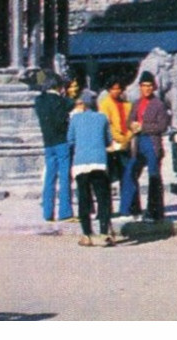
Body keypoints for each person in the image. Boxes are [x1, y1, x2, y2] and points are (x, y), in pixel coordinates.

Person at [66, 89, 115, 246]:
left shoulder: (75, 119)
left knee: (83, 198)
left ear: (83, 104)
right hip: (98, 162)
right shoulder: (102, 118)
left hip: (81, 163)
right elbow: (108, 140)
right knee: (103, 198)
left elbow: (70, 140)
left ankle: (87, 234)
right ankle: (104, 233)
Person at [121, 71, 171, 222]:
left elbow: (162, 126)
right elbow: (129, 120)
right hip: (138, 143)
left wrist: (143, 127)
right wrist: (132, 125)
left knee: (154, 177)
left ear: (153, 87)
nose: (147, 89)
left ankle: (155, 212)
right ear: (140, 87)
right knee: (130, 172)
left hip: (152, 142)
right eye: (144, 86)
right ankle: (131, 208)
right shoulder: (136, 103)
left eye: (150, 86)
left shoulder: (159, 104)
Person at [33, 74, 74, 222]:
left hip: (48, 142)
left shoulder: (39, 101)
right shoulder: (60, 101)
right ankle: (65, 211)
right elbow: (71, 104)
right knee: (64, 177)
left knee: (49, 177)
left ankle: (48, 212)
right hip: (61, 141)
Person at [99, 77, 134, 210]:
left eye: (118, 88)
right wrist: (119, 137)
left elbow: (131, 123)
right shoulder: (105, 104)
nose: (116, 91)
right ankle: (108, 209)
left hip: (126, 144)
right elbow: (107, 125)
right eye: (113, 89)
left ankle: (125, 207)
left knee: (127, 175)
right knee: (109, 178)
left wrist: (128, 137)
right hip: (112, 145)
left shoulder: (127, 105)